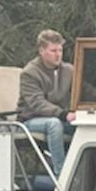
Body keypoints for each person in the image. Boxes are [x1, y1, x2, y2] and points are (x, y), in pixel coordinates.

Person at [17, 29, 75, 174]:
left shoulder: (69, 70)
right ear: (42, 51)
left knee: (84, 126)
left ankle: (84, 179)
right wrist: (62, 114)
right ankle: (61, 176)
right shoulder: (29, 73)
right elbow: (37, 103)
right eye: (53, 50)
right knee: (54, 125)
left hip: (60, 117)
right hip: (30, 120)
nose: (58, 54)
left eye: (60, 50)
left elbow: (85, 90)